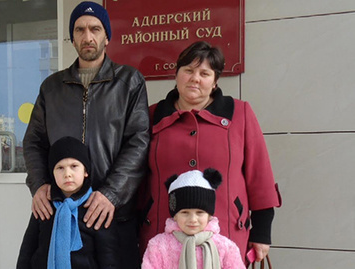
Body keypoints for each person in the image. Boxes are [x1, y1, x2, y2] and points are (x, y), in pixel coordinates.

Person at [22, 1, 150, 267]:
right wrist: (39, 185)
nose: (87, 36)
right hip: (61, 212)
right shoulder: (52, 87)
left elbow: (138, 142)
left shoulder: (129, 82)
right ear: (72, 37)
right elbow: (34, 142)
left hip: (112, 214)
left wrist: (111, 194)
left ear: (107, 36)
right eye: (80, 30)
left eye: (95, 29)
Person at [139, 41, 281, 262]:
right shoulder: (151, 116)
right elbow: (138, 175)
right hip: (163, 239)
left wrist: (262, 232)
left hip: (226, 236)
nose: (195, 78)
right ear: (176, 75)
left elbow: (259, 175)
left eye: (204, 73)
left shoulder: (240, 114)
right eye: (188, 71)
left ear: (214, 82)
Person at [17, 136, 121, 268]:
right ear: (52, 173)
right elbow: (27, 249)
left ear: (86, 171)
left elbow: (109, 257)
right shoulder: (45, 205)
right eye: (60, 168)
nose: (67, 174)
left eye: (74, 166)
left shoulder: (96, 208)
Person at [142, 169, 245, 269]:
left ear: (209, 215)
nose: (193, 219)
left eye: (200, 212)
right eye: (185, 212)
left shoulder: (225, 247)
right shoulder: (159, 246)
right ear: (175, 215)